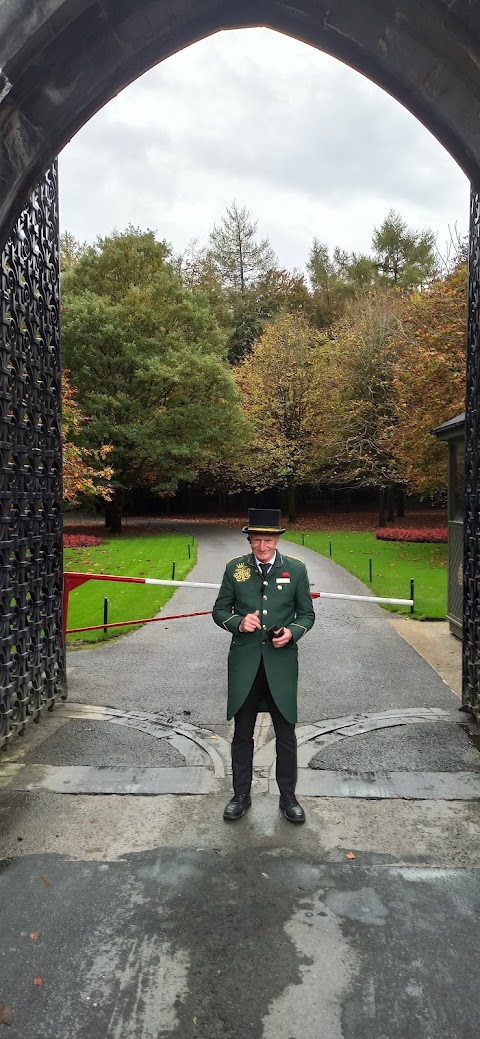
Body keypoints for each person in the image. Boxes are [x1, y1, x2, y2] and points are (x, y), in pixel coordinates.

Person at [212, 508, 315, 824]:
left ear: (277, 539)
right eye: (256, 540)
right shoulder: (236, 569)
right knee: (242, 733)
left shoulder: (295, 570)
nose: (262, 547)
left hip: (280, 664)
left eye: (267, 540)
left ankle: (288, 797)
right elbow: (219, 611)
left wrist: (291, 633)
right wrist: (238, 622)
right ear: (249, 540)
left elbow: (306, 615)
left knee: (286, 734)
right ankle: (240, 795)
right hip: (245, 664)